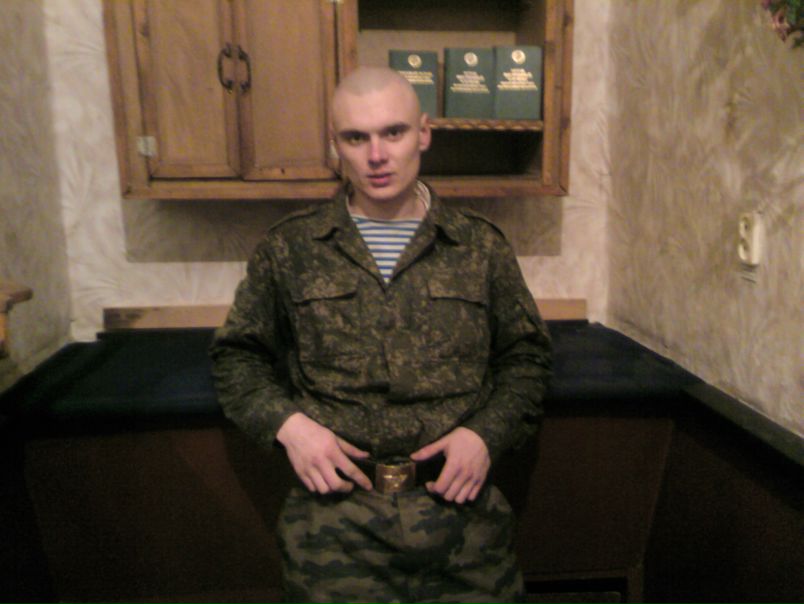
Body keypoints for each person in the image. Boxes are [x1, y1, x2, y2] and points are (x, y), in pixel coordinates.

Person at [210, 66, 552, 604]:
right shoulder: (291, 248)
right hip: (334, 527)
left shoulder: (479, 246)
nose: (376, 155)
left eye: (393, 132)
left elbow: (526, 357)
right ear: (335, 145)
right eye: (356, 137)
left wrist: (487, 434)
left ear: (424, 133)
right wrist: (290, 427)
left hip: (463, 524)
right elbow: (237, 358)